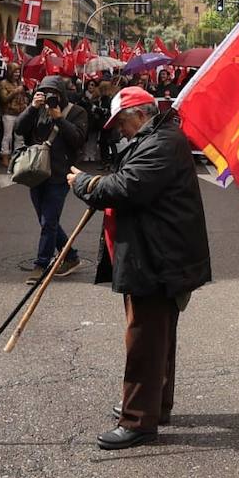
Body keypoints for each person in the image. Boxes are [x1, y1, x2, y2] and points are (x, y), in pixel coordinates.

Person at [68, 87, 211, 450]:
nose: (120, 130)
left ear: (141, 115)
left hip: (157, 257)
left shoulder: (162, 142)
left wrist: (84, 183)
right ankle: (153, 405)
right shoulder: (157, 138)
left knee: (144, 341)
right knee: (156, 337)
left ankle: (138, 420)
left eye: (122, 122)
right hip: (157, 252)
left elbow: (126, 188)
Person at [16, 75, 88, 282]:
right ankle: (71, 256)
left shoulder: (76, 112)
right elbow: (19, 129)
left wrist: (59, 119)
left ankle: (41, 264)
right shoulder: (37, 109)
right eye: (45, 92)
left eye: (53, 93)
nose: (49, 97)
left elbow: (78, 140)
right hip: (35, 172)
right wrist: (32, 108)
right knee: (46, 220)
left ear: (61, 94)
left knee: (48, 221)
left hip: (59, 174)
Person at [0, 64, 27, 165]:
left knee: (19, 136)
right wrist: (15, 91)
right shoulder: (3, 83)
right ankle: (5, 155)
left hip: (20, 113)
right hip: (9, 113)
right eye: (15, 72)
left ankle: (17, 156)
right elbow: (4, 98)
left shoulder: (20, 83)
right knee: (8, 136)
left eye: (18, 72)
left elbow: (23, 97)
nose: (17, 74)